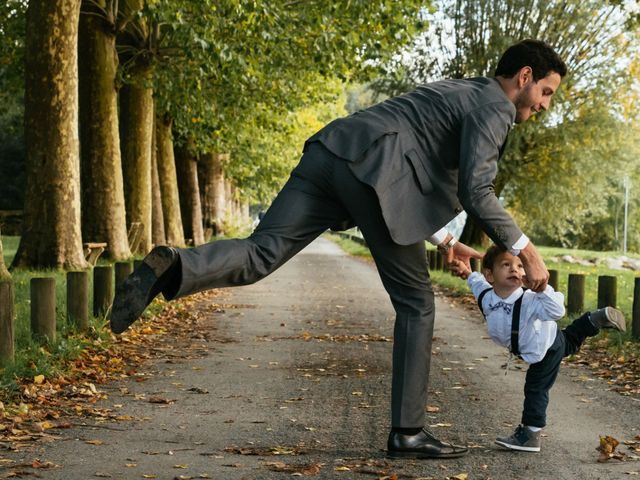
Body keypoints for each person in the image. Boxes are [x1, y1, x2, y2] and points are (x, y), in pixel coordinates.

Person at [110, 39, 567, 459]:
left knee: (261, 252)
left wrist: (446, 239)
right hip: (374, 175)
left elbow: (414, 162)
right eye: (546, 92)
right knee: (417, 302)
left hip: (334, 151)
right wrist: (526, 250)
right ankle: (408, 432)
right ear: (524, 76)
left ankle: (173, 267)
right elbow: (476, 190)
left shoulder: (459, 89)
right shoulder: (495, 107)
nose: (545, 105)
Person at [451, 245, 626, 452]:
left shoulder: (530, 300)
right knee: (569, 341)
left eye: (520, 265)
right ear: (490, 274)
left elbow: (557, 311)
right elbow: (475, 282)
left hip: (544, 349)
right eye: (506, 265)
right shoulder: (486, 296)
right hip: (546, 339)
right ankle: (595, 319)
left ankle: (531, 435)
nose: (515, 270)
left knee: (536, 387)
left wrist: (542, 289)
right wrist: (467, 271)